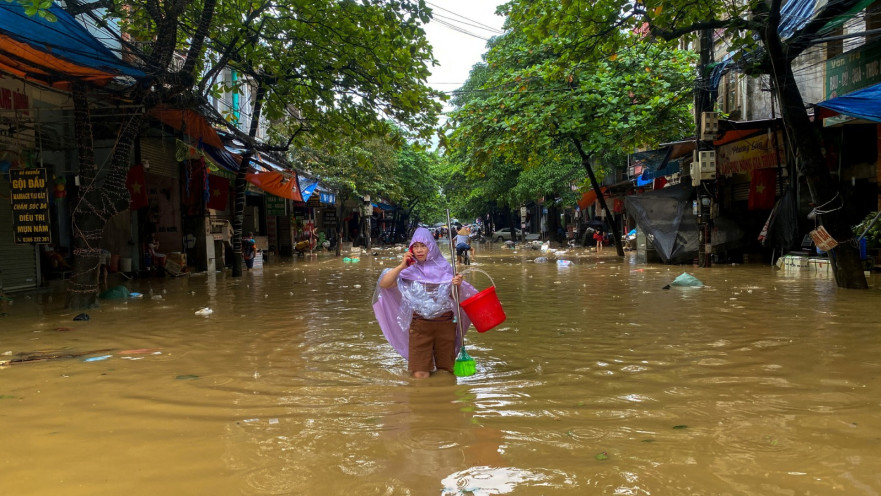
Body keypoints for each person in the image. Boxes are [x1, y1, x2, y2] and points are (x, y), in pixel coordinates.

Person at [374, 228, 476, 379]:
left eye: (423, 246)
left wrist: (457, 285)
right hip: (419, 325)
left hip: (446, 325)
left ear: (431, 247)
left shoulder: (446, 268)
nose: (419, 250)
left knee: (445, 372)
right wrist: (402, 265)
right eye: (415, 246)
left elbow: (454, 299)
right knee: (420, 374)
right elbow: (385, 284)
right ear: (411, 249)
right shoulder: (409, 271)